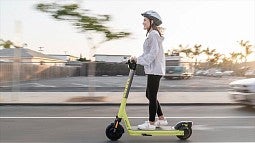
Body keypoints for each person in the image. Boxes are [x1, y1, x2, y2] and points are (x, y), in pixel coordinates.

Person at [130, 10, 168, 130]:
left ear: (152, 22)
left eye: (145, 20)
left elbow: (152, 54)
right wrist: (137, 58)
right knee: (149, 94)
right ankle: (161, 119)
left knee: (151, 96)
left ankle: (151, 123)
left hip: (155, 70)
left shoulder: (153, 35)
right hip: (153, 69)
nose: (143, 22)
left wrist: (139, 60)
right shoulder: (152, 35)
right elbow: (147, 53)